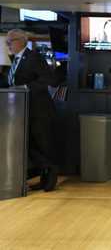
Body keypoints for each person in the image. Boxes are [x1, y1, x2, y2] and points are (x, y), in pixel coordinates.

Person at [2, 29, 59, 191]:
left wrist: (25, 87)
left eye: (10, 41)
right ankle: (44, 175)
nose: (8, 45)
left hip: (39, 110)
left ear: (21, 40)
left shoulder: (34, 57)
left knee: (42, 145)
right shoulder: (15, 60)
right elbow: (10, 82)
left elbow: (49, 79)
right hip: (22, 110)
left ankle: (50, 177)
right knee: (31, 144)